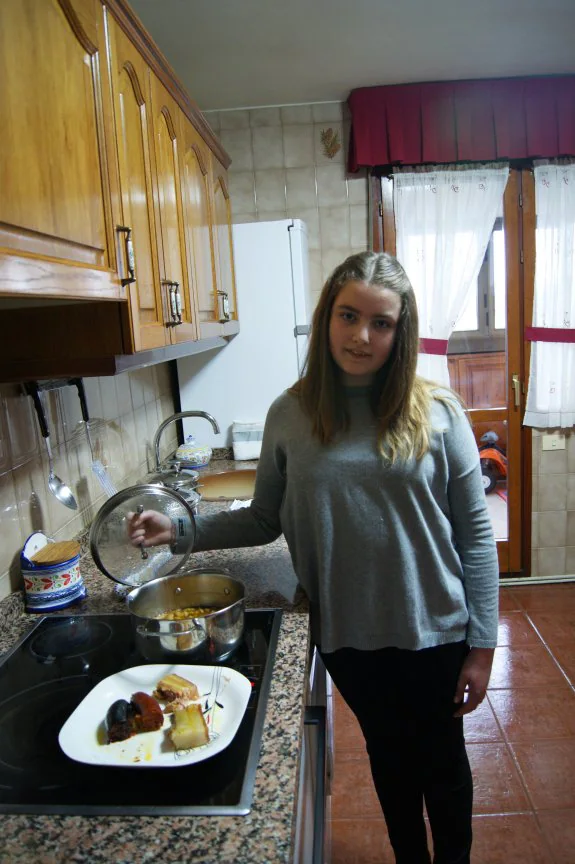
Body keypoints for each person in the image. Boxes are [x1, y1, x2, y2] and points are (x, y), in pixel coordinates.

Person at [129, 251, 499, 864]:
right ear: (327, 315)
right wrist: (180, 528)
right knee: (390, 761)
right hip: (349, 637)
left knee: (443, 766)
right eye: (349, 316)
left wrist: (483, 646)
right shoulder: (291, 414)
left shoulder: (438, 414)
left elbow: (477, 538)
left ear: (400, 331)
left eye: (381, 323)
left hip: (435, 631)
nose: (361, 336)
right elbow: (261, 518)